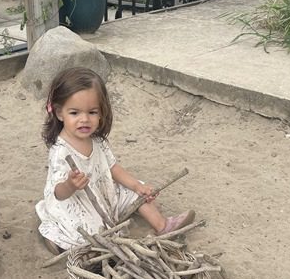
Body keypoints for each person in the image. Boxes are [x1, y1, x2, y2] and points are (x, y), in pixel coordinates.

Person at [36, 66, 195, 252]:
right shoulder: (61, 151)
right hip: (77, 202)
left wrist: (136, 186)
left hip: (104, 192)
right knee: (93, 232)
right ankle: (55, 238)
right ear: (59, 113)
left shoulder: (97, 141)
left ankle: (163, 226)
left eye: (92, 112)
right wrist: (70, 185)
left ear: (101, 112)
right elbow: (58, 193)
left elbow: (113, 168)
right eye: (74, 113)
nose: (84, 119)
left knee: (138, 192)